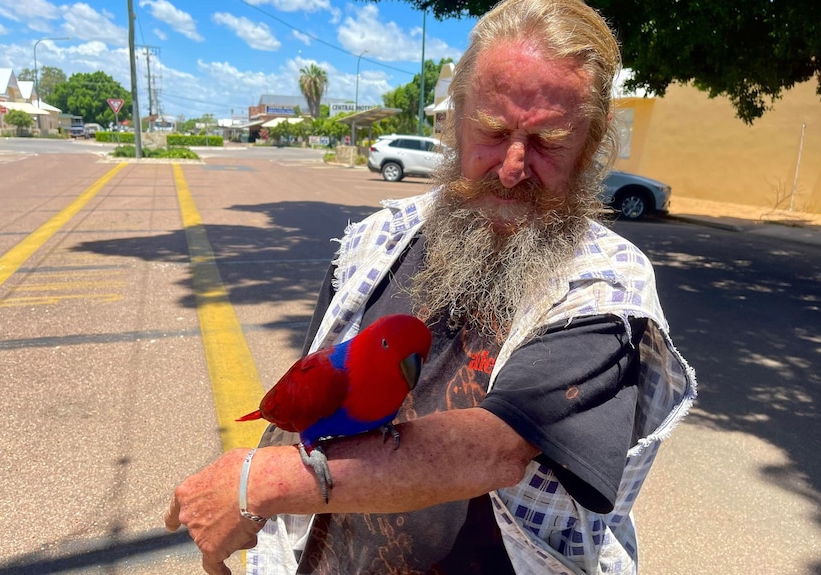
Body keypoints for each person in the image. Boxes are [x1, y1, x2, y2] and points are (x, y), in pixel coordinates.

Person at [164, 0, 697, 573]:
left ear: (589, 147)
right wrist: (248, 508)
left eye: (549, 141)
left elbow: (496, 449)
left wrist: (257, 482)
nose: (514, 165)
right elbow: (312, 394)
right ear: (455, 121)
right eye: (493, 131)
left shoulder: (608, 285)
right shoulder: (377, 242)